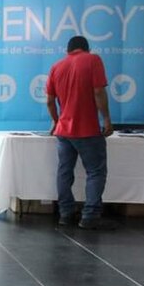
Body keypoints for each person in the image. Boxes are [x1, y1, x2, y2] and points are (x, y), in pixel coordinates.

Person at [46, 36, 116, 230]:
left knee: (64, 172)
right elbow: (98, 92)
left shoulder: (56, 67)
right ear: (86, 48)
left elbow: (50, 101)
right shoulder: (93, 60)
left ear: (68, 50)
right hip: (88, 129)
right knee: (95, 171)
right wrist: (107, 119)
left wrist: (55, 121)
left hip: (63, 131)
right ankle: (90, 216)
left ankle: (66, 214)